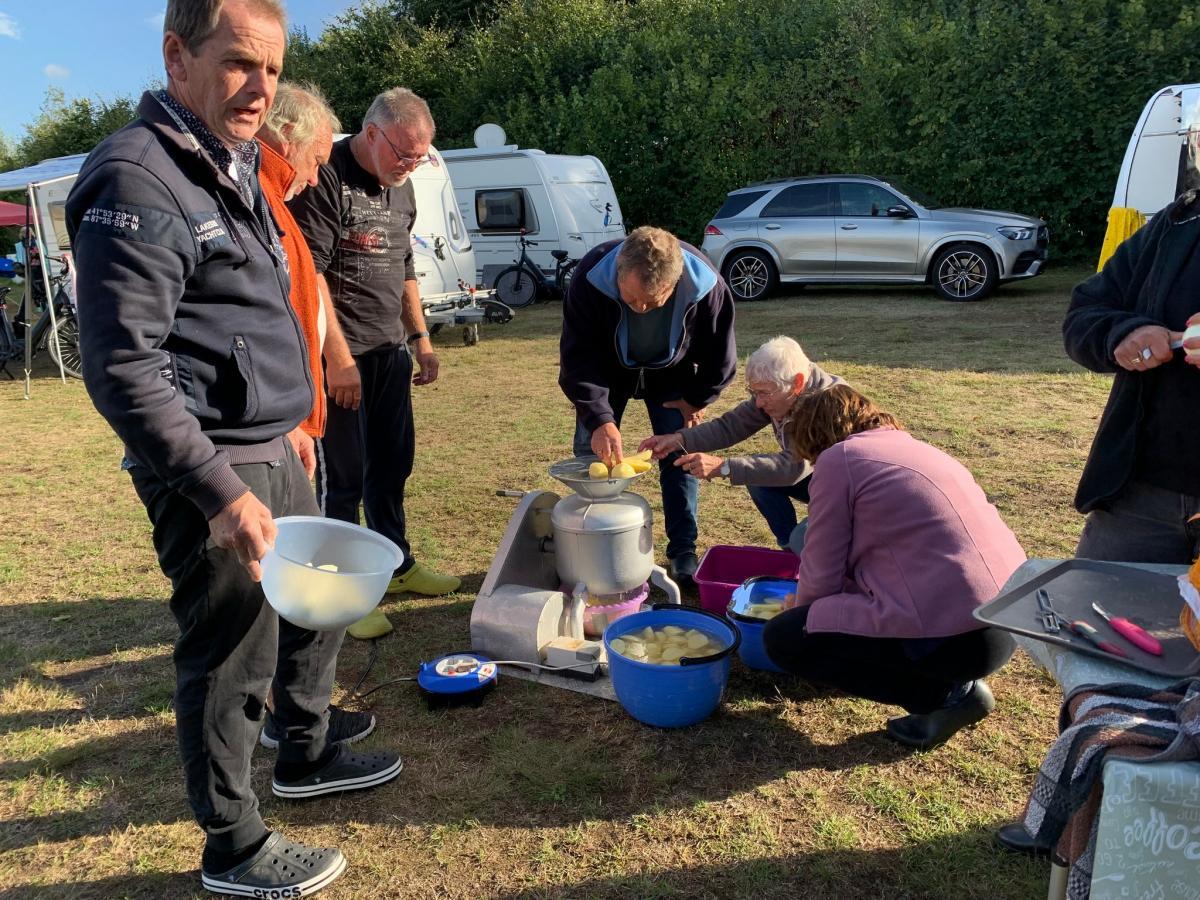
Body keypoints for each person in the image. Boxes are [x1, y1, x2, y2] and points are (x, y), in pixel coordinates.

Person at [66, 2, 401, 895]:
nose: (261, 88)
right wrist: (217, 490)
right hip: (215, 464)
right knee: (229, 654)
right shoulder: (137, 177)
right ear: (177, 56)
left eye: (274, 69)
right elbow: (123, 367)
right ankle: (235, 845)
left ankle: (305, 749)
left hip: (269, 443)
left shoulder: (229, 163)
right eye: (240, 63)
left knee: (304, 613)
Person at [995, 166, 1200, 858]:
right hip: (1138, 493)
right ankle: (1068, 816)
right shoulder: (1178, 224)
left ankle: (1167, 844)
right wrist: (1122, 334)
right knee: (1097, 660)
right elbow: (1085, 311)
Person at [761, 385, 1025, 750]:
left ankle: (944, 697)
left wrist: (802, 609)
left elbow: (821, 568)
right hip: (1008, 621)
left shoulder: (840, 459)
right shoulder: (916, 448)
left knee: (786, 637)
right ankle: (953, 685)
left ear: (812, 434)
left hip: (956, 638)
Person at [289, 86, 459, 639]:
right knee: (346, 476)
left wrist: (421, 339)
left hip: (388, 352)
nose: (410, 167)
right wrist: (336, 360)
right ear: (370, 134)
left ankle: (397, 564)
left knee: (392, 465)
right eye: (403, 154)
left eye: (420, 158)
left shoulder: (401, 191)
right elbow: (307, 274)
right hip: (342, 358)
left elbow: (405, 264)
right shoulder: (326, 178)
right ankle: (344, 587)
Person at [254, 82, 378, 751]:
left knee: (298, 583)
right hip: (266, 434)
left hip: (290, 423)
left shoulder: (275, 200)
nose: (318, 173)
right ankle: (296, 731)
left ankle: (303, 718)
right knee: (298, 583)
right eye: (315, 157)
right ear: (288, 137)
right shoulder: (259, 195)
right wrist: (290, 417)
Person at [559, 225, 737, 587]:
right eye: (630, 299)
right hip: (606, 372)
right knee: (591, 454)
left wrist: (695, 398)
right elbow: (577, 359)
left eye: (651, 302)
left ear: (675, 284)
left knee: (681, 454)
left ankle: (683, 552)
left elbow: (722, 357)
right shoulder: (590, 278)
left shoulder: (707, 285)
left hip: (671, 375)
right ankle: (593, 548)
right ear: (618, 275)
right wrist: (598, 419)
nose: (639, 309)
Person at [638, 336, 842, 548]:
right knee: (760, 478)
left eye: (764, 394)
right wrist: (679, 439)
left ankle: (810, 555)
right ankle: (791, 552)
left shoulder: (827, 405)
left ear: (797, 383)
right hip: (821, 481)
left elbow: (794, 467)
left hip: (850, 495)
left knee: (804, 540)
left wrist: (724, 467)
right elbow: (731, 426)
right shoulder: (783, 389)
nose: (759, 403)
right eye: (754, 393)